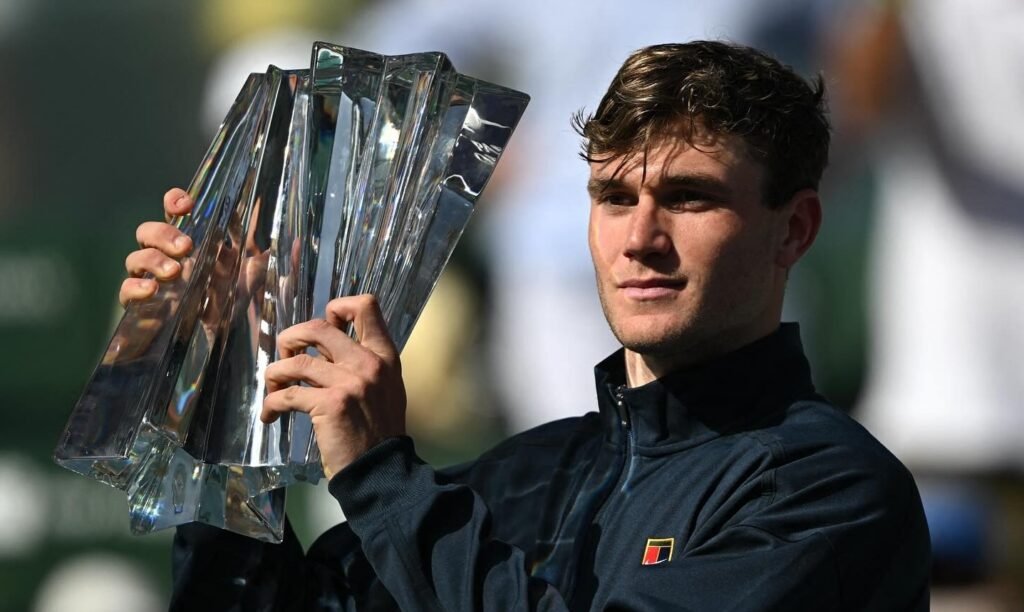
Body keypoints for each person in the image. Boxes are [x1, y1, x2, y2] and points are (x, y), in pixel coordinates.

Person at [122, 41, 930, 610]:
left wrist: (379, 474)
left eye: (688, 197)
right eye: (615, 198)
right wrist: (229, 372)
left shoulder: (828, 489)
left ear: (794, 229)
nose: (640, 239)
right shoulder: (529, 474)